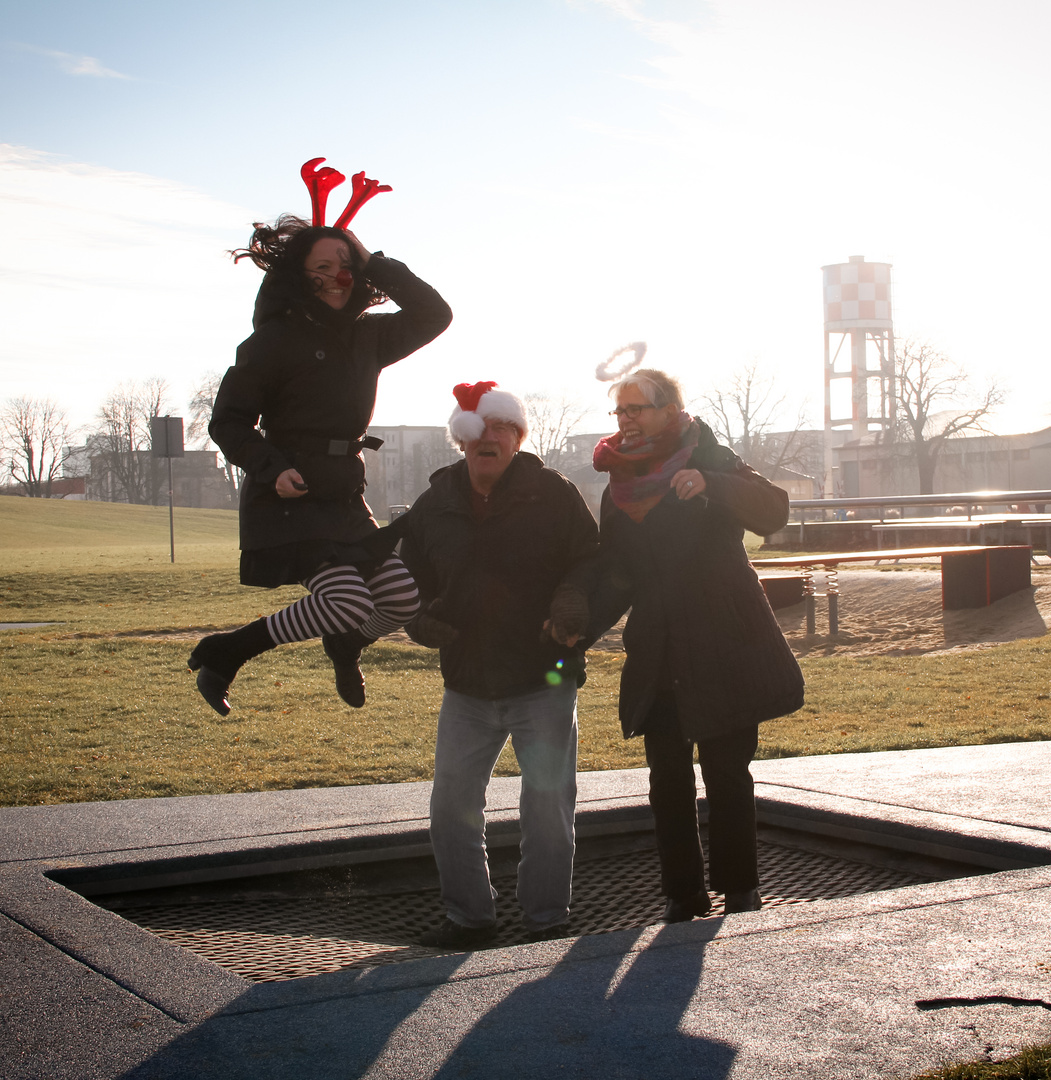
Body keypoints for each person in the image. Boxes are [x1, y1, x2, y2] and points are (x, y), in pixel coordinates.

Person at [189, 165, 451, 716]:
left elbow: (436, 313)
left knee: (402, 598)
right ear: (298, 277)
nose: (337, 277)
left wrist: (372, 259)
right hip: (289, 496)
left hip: (344, 494)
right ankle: (227, 652)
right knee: (346, 600)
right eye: (322, 267)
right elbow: (228, 422)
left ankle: (347, 643)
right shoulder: (271, 342)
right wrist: (269, 468)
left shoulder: (369, 337)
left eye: (346, 266)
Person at [588, 368, 803, 922]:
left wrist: (712, 483)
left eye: (637, 408)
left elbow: (775, 510)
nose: (627, 420)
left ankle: (740, 891)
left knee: (728, 774)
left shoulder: (711, 457)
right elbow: (616, 573)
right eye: (621, 412)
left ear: (669, 411)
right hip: (657, 650)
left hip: (723, 645)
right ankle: (682, 895)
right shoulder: (619, 488)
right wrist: (574, 627)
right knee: (667, 780)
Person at [400, 381, 598, 948]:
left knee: (547, 810)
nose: (491, 438)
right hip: (466, 685)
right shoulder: (434, 503)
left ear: (518, 438)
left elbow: (591, 557)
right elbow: (406, 578)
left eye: (504, 429)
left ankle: (547, 922)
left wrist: (573, 597)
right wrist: (417, 617)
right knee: (451, 808)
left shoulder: (553, 492)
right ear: (462, 439)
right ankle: (469, 920)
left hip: (544, 681)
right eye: (481, 430)